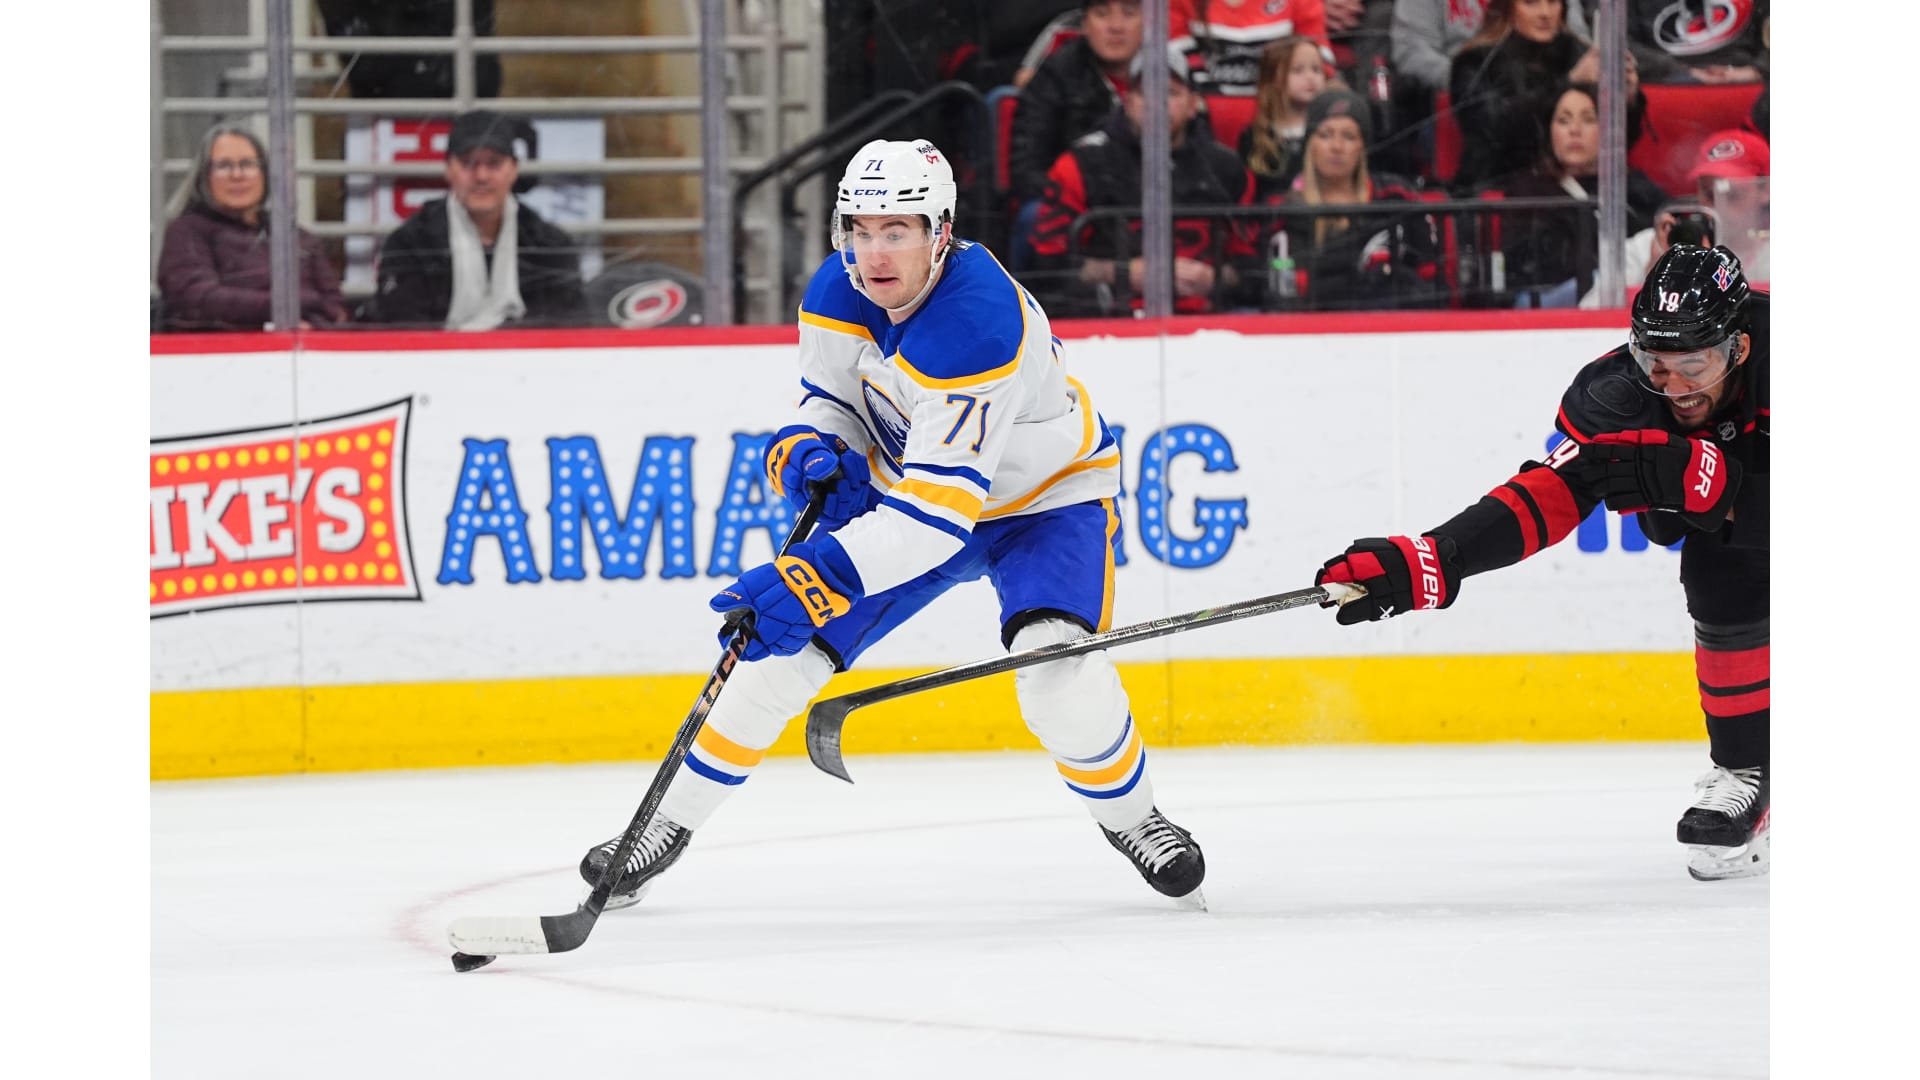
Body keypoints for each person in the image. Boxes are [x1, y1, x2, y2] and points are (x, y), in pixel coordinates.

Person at [578, 137, 1208, 911]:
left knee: (1056, 673)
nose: (874, 253)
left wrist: (817, 577)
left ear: (940, 233)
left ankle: (1135, 818)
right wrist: (814, 445)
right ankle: (662, 827)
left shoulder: (978, 322)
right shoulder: (837, 288)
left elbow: (937, 522)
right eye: (861, 228)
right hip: (916, 493)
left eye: (897, 231)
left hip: (1041, 504)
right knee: (779, 658)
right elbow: (833, 397)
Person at [1313, 244, 1769, 882]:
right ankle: (1747, 768)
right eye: (1656, 362)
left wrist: (1731, 495)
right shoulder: (1618, 394)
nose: (1673, 386)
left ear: (1739, 348)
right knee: (1720, 566)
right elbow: (1554, 492)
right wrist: (1441, 555)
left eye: (1693, 365)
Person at [1027, 51, 1262, 315]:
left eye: (1170, 93)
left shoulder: (1228, 169)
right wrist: (1122, 273)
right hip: (1110, 319)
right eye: (1145, 93)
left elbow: (1256, 268)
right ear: (1127, 101)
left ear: (1192, 104)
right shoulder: (1079, 165)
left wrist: (1213, 278)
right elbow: (1048, 265)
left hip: (1212, 319)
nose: (1157, 104)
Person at [367, 109, 587, 330]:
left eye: (494, 163)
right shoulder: (411, 244)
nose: (481, 176)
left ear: (514, 170)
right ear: (448, 169)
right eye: (468, 163)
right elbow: (403, 329)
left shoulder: (549, 246)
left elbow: (562, 326)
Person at [155, 124, 347, 332]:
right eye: (224, 165)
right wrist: (293, 306)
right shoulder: (186, 232)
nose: (237, 175)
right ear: (204, 176)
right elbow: (197, 300)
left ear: (264, 173)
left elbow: (334, 307)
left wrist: (309, 326)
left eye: (247, 164)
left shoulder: (293, 235)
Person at [1271, 88, 1445, 311]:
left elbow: (1433, 280)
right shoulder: (1289, 211)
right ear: (1310, 143)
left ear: (1362, 145)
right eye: (1325, 135)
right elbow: (1285, 295)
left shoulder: (1396, 196)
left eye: (1349, 136)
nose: (1337, 147)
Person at [1497, 83, 1668, 304]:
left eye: (1588, 119)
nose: (1575, 130)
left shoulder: (1636, 188)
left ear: (1609, 130)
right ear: (1549, 131)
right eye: (1564, 121)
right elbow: (1532, 270)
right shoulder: (1528, 192)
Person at [1448, 0, 1640, 191]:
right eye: (1531, 3)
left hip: (1576, 183)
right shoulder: (1475, 62)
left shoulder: (1579, 54)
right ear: (1507, 7)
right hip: (1497, 184)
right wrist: (1569, 82)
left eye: (1552, 2)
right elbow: (1493, 127)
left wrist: (1627, 100)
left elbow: (1616, 144)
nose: (1545, 13)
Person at [1007, 1, 1144, 206]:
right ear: (1085, 24)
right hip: (1075, 203)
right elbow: (1027, 169)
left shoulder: (1170, 80)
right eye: (1102, 14)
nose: (1116, 26)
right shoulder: (1055, 75)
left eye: (1129, 13)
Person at [1171, 0, 1330, 98]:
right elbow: (1171, 63)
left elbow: (1322, 66)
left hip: (1279, 123)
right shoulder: (1179, 3)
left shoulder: (1303, 2)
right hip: (1197, 124)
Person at [1239, 35, 1330, 202]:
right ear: (1272, 78)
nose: (1310, 77)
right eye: (1298, 70)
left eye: (1316, 69)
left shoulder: (1329, 131)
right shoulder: (1254, 136)